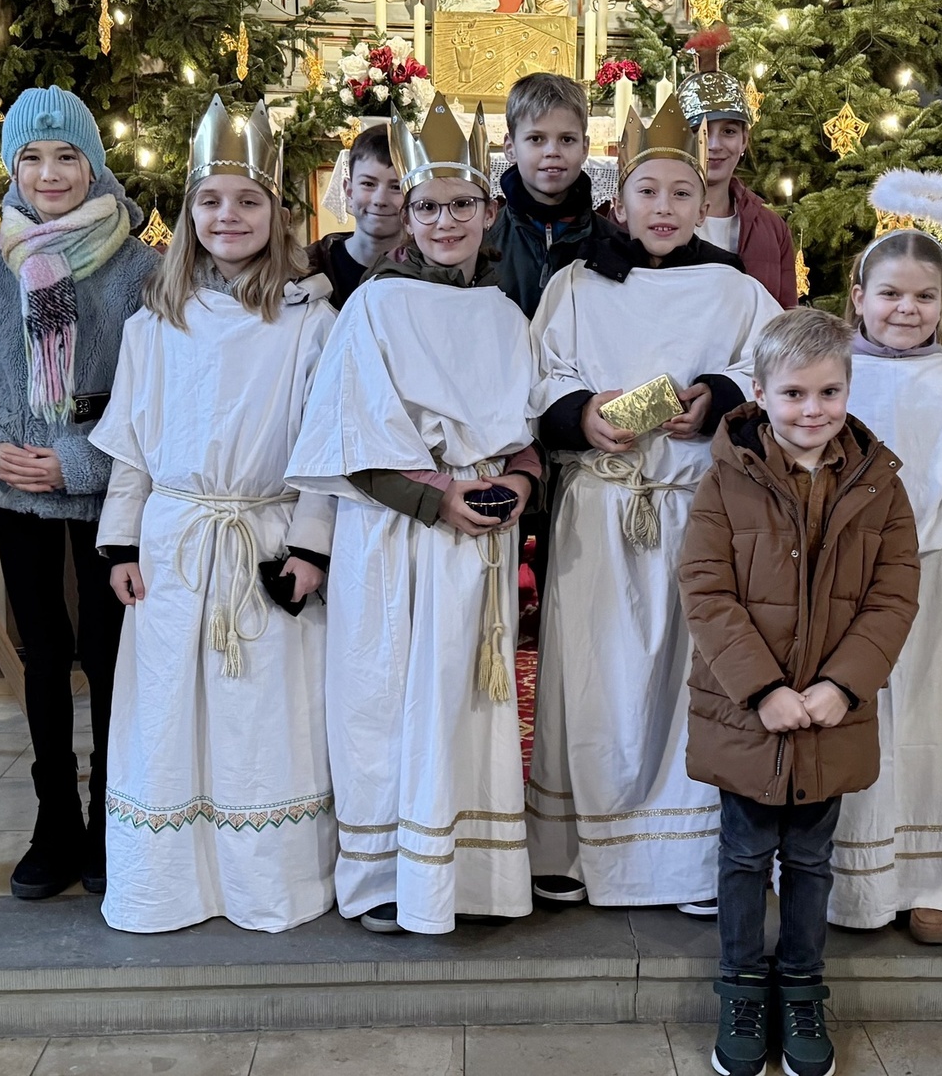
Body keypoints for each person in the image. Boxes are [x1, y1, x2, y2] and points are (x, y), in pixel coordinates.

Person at [289, 95, 542, 936]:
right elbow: (347, 438)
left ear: (490, 210)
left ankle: (470, 875)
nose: (444, 221)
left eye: (461, 204)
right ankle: (389, 878)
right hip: (397, 536)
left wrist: (520, 485)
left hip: (480, 541)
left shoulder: (505, 311)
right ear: (407, 212)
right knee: (390, 699)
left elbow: (529, 431)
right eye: (428, 206)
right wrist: (439, 499)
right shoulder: (376, 304)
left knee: (468, 700)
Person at [527, 88, 781, 915]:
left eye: (681, 192)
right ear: (619, 199)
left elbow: (771, 369)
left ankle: (687, 860)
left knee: (690, 678)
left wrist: (717, 396)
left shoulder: (735, 289)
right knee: (593, 674)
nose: (664, 207)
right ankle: (573, 848)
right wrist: (581, 413)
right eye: (647, 190)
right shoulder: (576, 283)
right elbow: (541, 376)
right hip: (601, 510)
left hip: (695, 508)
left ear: (705, 203)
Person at [91, 96, 340, 934]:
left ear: (277, 211)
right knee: (169, 712)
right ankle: (169, 883)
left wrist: (309, 549)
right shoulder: (155, 322)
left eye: (247, 200)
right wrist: (121, 543)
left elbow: (325, 449)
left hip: (264, 539)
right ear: (188, 211)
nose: (228, 216)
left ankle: (266, 881)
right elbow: (131, 446)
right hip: (175, 544)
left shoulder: (310, 321)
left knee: (261, 715)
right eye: (210, 200)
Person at [681, 306, 920, 1076]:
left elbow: (893, 594)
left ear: (848, 389)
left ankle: (803, 986)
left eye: (828, 392)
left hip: (830, 714)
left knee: (813, 859)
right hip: (747, 714)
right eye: (793, 393)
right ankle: (742, 986)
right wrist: (762, 690)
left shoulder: (879, 484)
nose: (811, 410)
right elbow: (706, 590)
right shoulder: (726, 480)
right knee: (745, 855)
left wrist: (843, 685)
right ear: (759, 392)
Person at [0, 86, 161, 901]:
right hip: (20, 495)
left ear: (93, 164)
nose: (49, 173)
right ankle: (54, 818)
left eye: (67, 155)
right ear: (12, 168)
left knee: (108, 656)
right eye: (32, 158)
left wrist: (74, 460)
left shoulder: (139, 266)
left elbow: (152, 394)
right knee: (42, 655)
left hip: (107, 493)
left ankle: (110, 814)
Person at [828, 215, 942, 943]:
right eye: (890, 293)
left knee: (929, 718)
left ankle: (934, 877)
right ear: (858, 296)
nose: (906, 309)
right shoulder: (832, 373)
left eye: (925, 297)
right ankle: (849, 879)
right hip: (840, 574)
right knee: (851, 713)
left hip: (934, 577)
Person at [485, 72, 621, 320]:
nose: (552, 151)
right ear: (510, 148)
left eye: (567, 139)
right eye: (536, 139)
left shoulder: (614, 243)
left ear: (584, 148)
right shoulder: (484, 245)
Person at [681, 30, 799, 310]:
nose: (714, 145)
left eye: (729, 131)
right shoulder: (652, 219)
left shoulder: (771, 228)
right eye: (699, 131)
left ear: (744, 140)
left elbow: (786, 317)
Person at [306, 122, 405, 309]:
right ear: (349, 192)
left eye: (395, 187)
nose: (380, 200)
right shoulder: (308, 265)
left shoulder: (427, 271)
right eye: (368, 184)